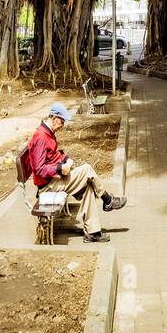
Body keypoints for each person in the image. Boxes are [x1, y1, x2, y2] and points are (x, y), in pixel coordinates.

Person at [27, 103, 126, 244]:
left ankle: (93, 232)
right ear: (54, 118)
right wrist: (60, 168)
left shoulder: (48, 133)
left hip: (54, 181)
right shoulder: (40, 138)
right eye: (61, 122)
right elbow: (39, 169)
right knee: (86, 169)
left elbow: (54, 155)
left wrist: (66, 160)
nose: (62, 125)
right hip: (48, 187)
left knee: (87, 188)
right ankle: (107, 200)